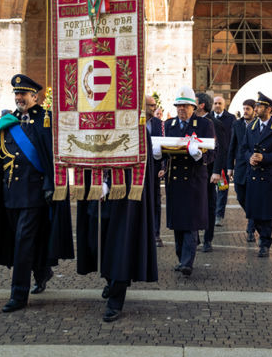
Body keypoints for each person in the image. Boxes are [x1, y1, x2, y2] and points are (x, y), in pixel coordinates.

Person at [0, 74, 73, 313]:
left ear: (34, 96)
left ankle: (18, 294)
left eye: (23, 94)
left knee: (22, 242)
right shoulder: (7, 122)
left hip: (35, 195)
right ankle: (43, 270)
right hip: (9, 194)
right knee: (22, 240)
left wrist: (50, 184)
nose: (19, 98)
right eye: (16, 94)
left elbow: (54, 158)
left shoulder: (47, 120)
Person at [76, 130, 159, 322]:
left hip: (123, 200)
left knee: (120, 248)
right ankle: (111, 280)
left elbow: (137, 165)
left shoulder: (136, 128)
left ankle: (116, 298)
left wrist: (110, 183)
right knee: (95, 245)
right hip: (95, 195)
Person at [156, 86, 214, 276]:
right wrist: (159, 158)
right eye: (178, 106)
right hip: (175, 181)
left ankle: (187, 261)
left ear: (193, 108)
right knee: (178, 222)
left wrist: (199, 156)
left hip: (194, 181)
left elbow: (213, 152)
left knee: (191, 222)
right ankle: (181, 258)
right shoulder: (169, 125)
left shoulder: (204, 125)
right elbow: (164, 149)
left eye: (185, 106)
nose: (181, 110)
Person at [242, 92, 272, 257]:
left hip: (270, 176)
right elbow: (244, 149)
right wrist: (250, 158)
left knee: (267, 212)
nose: (256, 109)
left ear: (269, 109)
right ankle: (262, 236)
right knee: (255, 211)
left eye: (260, 106)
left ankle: (265, 243)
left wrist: (265, 158)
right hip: (254, 174)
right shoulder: (251, 127)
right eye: (256, 106)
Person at [195, 92, 226, 253]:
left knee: (209, 205)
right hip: (195, 170)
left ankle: (208, 239)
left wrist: (216, 172)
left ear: (201, 105)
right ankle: (195, 236)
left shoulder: (215, 123)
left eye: (194, 102)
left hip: (209, 171)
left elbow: (220, 150)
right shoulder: (193, 122)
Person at [227, 99, 256, 242]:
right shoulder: (237, 124)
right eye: (244, 108)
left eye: (248, 109)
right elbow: (232, 146)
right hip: (240, 167)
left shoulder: (258, 124)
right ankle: (253, 216)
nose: (245, 111)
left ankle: (251, 228)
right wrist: (229, 167)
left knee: (252, 197)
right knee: (240, 196)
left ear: (254, 110)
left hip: (255, 167)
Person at [211, 95, 235, 227]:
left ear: (224, 105)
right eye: (215, 103)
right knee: (210, 188)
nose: (217, 105)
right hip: (211, 159)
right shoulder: (209, 118)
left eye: (220, 103)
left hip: (224, 160)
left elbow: (233, 139)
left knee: (222, 187)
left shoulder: (231, 119)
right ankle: (210, 212)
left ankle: (219, 214)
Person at [144, 95, 165, 247]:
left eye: (154, 105)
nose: (154, 108)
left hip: (155, 167)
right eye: (151, 105)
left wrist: (164, 166)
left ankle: (156, 233)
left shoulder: (158, 123)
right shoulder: (133, 121)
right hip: (139, 167)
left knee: (155, 200)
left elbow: (165, 144)